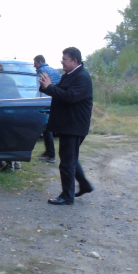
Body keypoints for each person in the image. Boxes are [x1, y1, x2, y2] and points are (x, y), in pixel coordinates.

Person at [38, 47, 94, 205]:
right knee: (71, 158)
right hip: (69, 125)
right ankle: (84, 185)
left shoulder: (82, 77)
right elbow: (59, 92)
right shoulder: (70, 75)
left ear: (74, 61)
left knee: (67, 162)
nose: (62, 62)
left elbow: (69, 97)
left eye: (65, 60)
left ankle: (67, 196)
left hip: (74, 126)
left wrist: (50, 87)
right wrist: (46, 86)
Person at [0, 62, 21, 171]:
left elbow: (0, 95)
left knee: (6, 138)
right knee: (9, 137)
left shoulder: (5, 81)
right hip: (6, 111)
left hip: (6, 112)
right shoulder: (1, 79)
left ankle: (10, 164)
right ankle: (16, 162)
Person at [33, 55, 61, 163]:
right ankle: (48, 152)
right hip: (56, 100)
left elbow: (38, 86)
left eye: (35, 63)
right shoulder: (54, 71)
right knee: (47, 127)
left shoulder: (41, 71)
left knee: (46, 128)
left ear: (40, 62)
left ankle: (51, 155)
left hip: (45, 100)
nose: (34, 66)